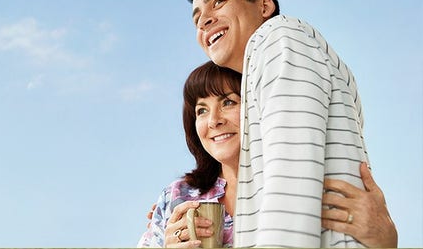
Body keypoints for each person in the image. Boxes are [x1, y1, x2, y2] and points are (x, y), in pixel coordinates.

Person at [181, 0, 395, 247]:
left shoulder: (277, 39)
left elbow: (290, 192)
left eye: (218, 2)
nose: (204, 20)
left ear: (264, 6)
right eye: (197, 18)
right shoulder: (277, 59)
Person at [137, 62, 396, 248]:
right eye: (202, 110)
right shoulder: (177, 197)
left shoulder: (302, 187)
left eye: (228, 102)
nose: (213, 121)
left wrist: (384, 241)